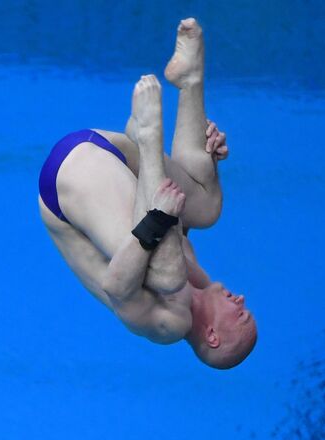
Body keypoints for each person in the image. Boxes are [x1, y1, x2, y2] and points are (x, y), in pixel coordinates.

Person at [38, 18, 257, 369]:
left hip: (68, 180)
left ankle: (149, 136)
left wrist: (158, 217)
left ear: (213, 336)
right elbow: (178, 208)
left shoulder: (168, 327)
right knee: (206, 207)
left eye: (240, 316)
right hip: (110, 151)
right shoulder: (198, 282)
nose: (242, 300)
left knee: (164, 274)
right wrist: (209, 158)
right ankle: (188, 80)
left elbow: (117, 287)